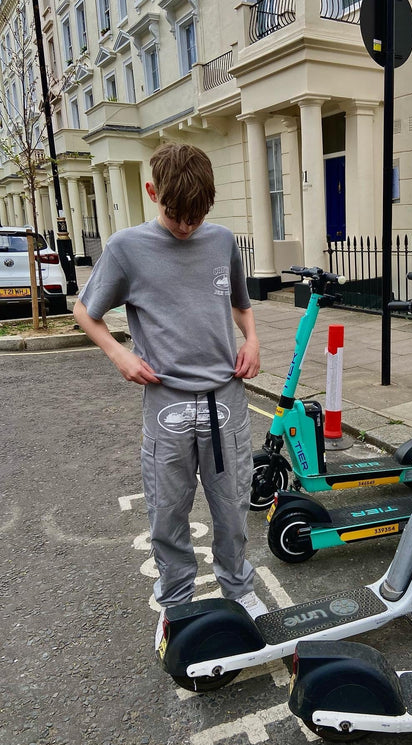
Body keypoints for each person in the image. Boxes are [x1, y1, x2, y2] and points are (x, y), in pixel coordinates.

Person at [73, 142, 268, 654]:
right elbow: (85, 312)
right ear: (152, 192)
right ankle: (178, 602)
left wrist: (251, 340)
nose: (186, 226)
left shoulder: (222, 240)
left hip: (227, 399)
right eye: (177, 216)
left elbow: (241, 304)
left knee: (231, 507)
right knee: (168, 511)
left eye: (196, 216)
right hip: (167, 402)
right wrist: (120, 356)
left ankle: (239, 589)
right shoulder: (125, 249)